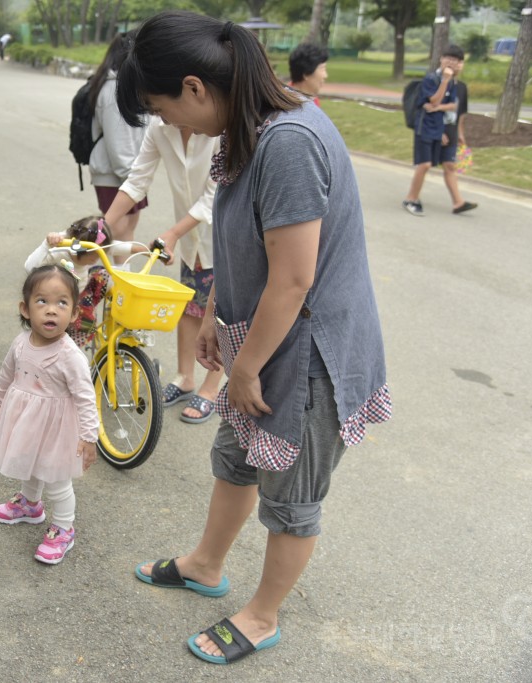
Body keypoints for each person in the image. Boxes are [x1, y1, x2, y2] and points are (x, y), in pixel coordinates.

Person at [117, 12, 392, 665]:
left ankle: (263, 614)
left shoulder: (288, 141)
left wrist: (246, 369)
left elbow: (295, 280)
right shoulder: (245, 125)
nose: (178, 128)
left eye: (168, 111)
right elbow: (244, 239)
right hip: (263, 337)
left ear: (194, 87)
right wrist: (214, 305)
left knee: (291, 496)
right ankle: (206, 563)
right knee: (238, 456)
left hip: (306, 353)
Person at [103, 119, 223, 424]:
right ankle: (185, 377)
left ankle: (211, 389)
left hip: (223, 236)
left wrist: (172, 233)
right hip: (190, 238)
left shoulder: (217, 127)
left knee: (220, 313)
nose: (156, 111)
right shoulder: (160, 125)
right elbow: (136, 181)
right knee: (188, 305)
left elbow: (214, 195)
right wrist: (101, 228)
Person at [0, 265, 99, 564]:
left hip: (57, 427)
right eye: (42, 302)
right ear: (25, 309)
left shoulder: (69, 356)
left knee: (56, 478)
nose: (52, 311)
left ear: (74, 313)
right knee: (28, 461)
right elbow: (7, 373)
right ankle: (30, 505)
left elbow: (86, 398)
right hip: (25, 418)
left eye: (62, 303)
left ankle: (64, 527)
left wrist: (90, 436)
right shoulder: (21, 342)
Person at [23, 215, 145, 348]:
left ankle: (112, 323)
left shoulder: (91, 247)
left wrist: (142, 250)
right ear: (80, 249)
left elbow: (112, 247)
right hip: (57, 300)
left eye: (100, 254)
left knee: (106, 275)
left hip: (79, 294)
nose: (97, 258)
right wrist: (46, 245)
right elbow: (29, 267)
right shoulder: (60, 246)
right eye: (94, 256)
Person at [86, 31, 148, 247]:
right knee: (117, 236)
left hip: (127, 174)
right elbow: (118, 144)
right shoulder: (113, 90)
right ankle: (112, 280)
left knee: (127, 231)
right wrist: (132, 181)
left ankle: (118, 277)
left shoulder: (122, 87)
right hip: (117, 175)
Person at [403, 44, 477, 217]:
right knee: (425, 164)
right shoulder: (432, 79)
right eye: (449, 58)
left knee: (449, 165)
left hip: (446, 131)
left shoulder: (458, 85)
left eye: (457, 60)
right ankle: (411, 198)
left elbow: (456, 110)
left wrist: (460, 135)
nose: (452, 63)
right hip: (431, 129)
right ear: (441, 59)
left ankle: (458, 202)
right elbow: (433, 102)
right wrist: (442, 89)